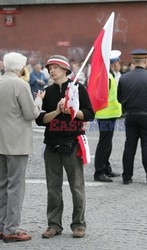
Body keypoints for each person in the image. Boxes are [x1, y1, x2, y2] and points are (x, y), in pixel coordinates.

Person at [35, 55, 94, 239]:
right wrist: (58, 111)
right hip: (51, 144)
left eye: (55, 67)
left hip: (72, 143)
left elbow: (90, 114)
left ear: (65, 70)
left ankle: (79, 224)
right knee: (53, 188)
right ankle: (54, 225)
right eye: (49, 68)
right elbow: (40, 120)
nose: (51, 71)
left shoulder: (78, 88)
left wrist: (73, 112)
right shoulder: (47, 91)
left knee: (77, 187)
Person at [0, 52, 45, 243]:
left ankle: (2, 226)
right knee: (16, 187)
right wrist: (39, 99)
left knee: (1, 185)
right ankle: (11, 229)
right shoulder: (21, 84)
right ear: (21, 68)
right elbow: (31, 113)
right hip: (16, 143)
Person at [118, 49, 147, 186]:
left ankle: (126, 177)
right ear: (145, 61)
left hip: (131, 116)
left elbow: (119, 98)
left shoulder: (124, 77)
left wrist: (127, 107)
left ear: (133, 62)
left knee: (129, 146)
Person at [94, 50, 122, 182]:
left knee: (107, 143)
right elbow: (101, 96)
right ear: (113, 63)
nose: (119, 64)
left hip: (109, 114)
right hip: (105, 114)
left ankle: (106, 168)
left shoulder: (110, 75)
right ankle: (99, 172)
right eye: (118, 62)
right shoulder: (107, 76)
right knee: (104, 144)